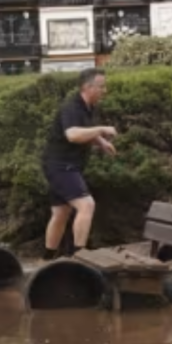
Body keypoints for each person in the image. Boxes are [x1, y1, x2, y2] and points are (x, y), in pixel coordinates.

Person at [41, 68, 117, 260]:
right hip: (61, 166)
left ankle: (48, 258)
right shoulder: (72, 107)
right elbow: (73, 135)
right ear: (87, 87)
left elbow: (85, 131)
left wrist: (101, 142)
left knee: (61, 212)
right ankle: (79, 257)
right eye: (101, 86)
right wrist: (102, 129)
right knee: (86, 205)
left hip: (66, 165)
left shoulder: (89, 107)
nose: (104, 90)